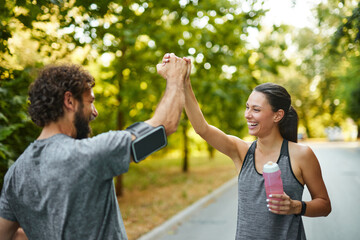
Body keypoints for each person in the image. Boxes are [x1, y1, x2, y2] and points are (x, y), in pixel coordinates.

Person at [0, 53, 189, 240]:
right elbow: (167, 124)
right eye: (90, 101)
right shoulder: (86, 155)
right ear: (69, 101)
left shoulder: (16, 173)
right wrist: (175, 76)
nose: (95, 112)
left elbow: (5, 234)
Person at [164, 55, 331, 239]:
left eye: (256, 110)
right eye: (247, 107)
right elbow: (201, 128)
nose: (247, 115)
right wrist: (184, 82)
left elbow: (324, 205)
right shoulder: (242, 151)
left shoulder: (300, 155)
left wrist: (296, 206)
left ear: (277, 115)